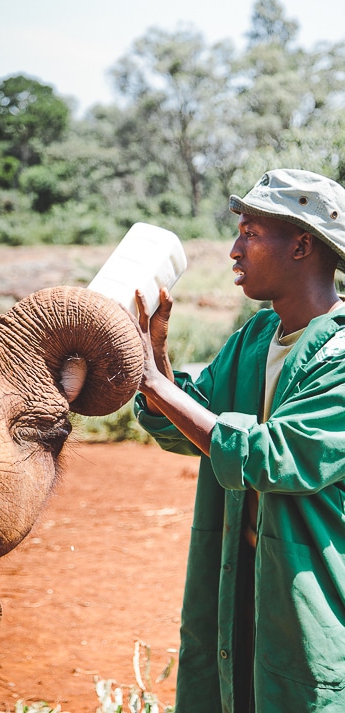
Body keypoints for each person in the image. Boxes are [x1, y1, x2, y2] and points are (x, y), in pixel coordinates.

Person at [133, 168, 345, 712]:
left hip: (309, 598)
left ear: (302, 244)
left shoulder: (341, 357)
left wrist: (156, 384)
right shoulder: (254, 338)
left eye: (250, 232)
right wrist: (151, 357)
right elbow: (185, 425)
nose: (234, 248)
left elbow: (274, 454)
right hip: (237, 586)